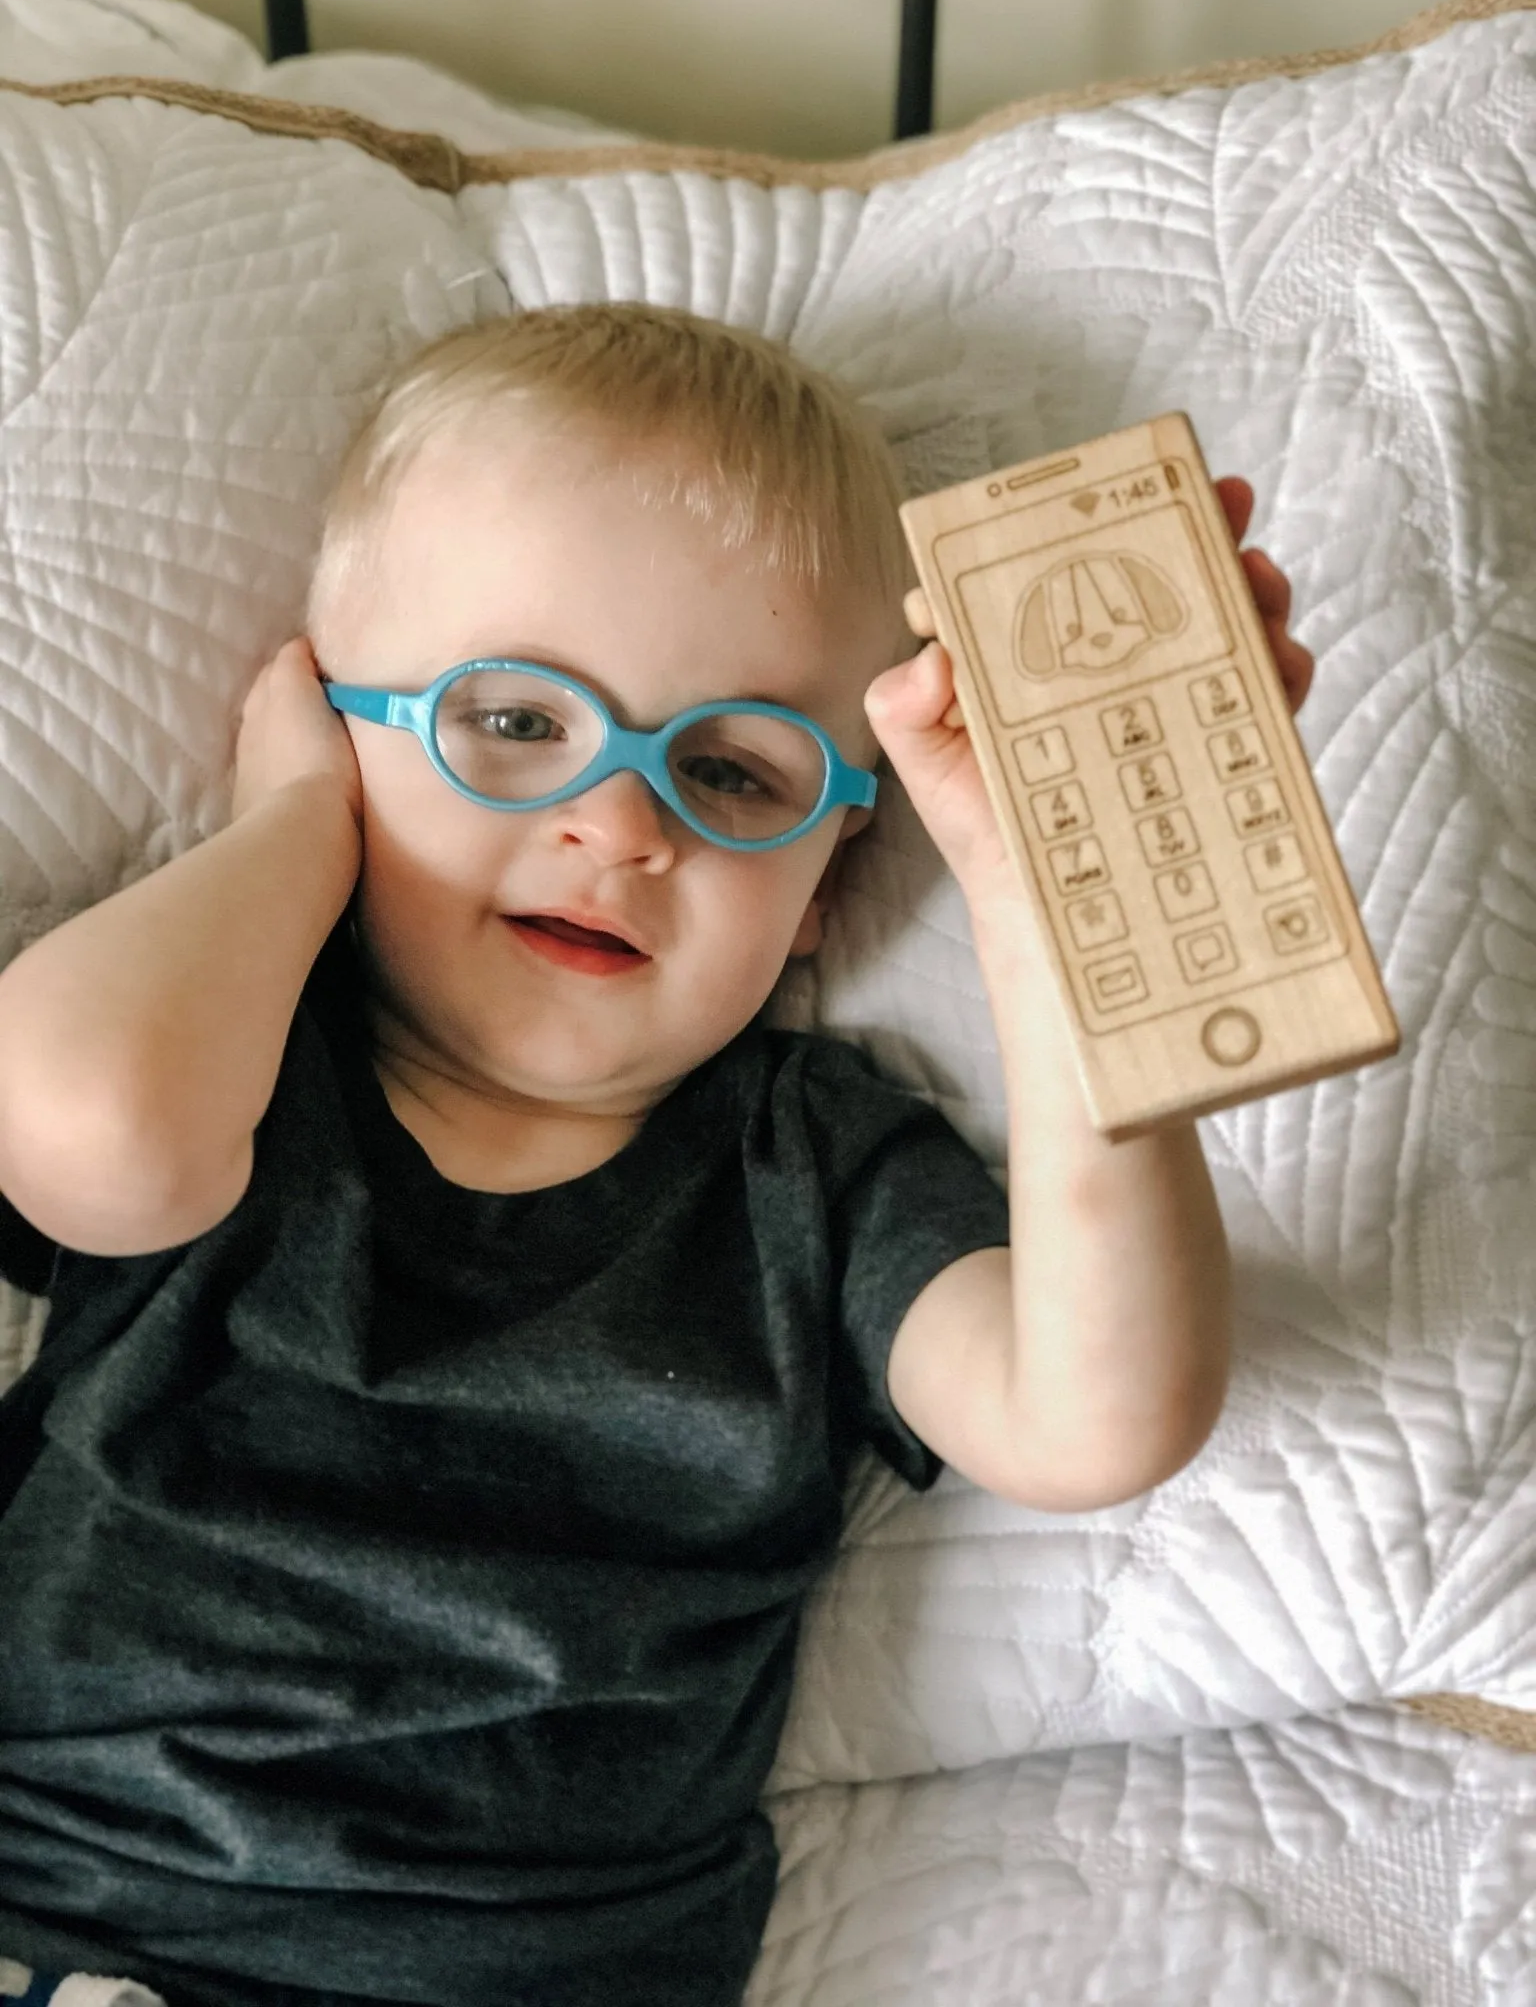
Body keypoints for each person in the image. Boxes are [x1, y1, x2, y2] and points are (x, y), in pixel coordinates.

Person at [0, 304, 1312, 2007]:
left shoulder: (814, 1171)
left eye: (729, 769)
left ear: (831, 876)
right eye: (514, 722)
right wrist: (287, 831)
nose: (621, 826)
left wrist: (1061, 909)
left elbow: (1098, 1414)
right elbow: (84, 1134)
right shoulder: (235, 1057)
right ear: (333, 727)